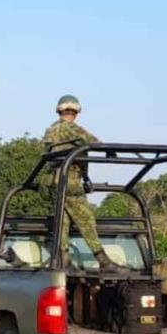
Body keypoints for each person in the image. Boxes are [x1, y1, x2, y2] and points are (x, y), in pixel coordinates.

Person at [42, 95, 126, 273]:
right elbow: (92, 141)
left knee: (62, 222)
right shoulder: (71, 129)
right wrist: (109, 150)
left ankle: (63, 260)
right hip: (68, 180)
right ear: (74, 111)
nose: (72, 114)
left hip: (53, 181)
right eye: (72, 111)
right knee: (86, 219)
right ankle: (103, 261)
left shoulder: (51, 130)